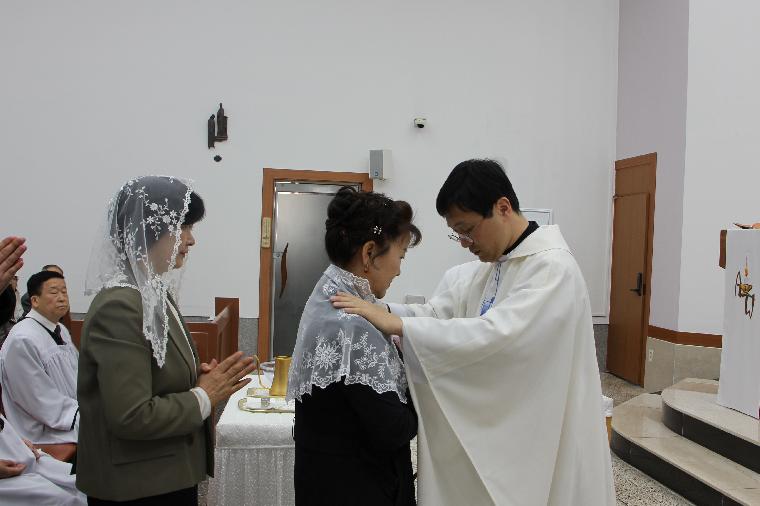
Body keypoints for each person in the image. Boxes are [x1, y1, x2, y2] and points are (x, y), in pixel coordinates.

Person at [332, 159, 616, 505]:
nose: (465, 243)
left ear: (503, 208)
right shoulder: (490, 268)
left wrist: (402, 325)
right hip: (507, 432)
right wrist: (384, 312)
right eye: (457, 233)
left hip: (542, 434)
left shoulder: (553, 270)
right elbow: (438, 314)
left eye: (467, 229)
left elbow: (497, 338)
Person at [76, 176, 256, 504]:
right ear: (151, 230)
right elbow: (131, 415)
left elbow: (155, 375)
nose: (191, 240)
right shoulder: (120, 306)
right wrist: (204, 395)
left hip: (164, 476)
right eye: (183, 227)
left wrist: (197, 377)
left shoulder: (154, 291)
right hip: (137, 486)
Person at [287, 187, 420, 506]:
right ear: (369, 253)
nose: (399, 269)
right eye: (400, 256)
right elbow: (394, 429)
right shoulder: (352, 325)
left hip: (326, 482)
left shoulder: (326, 296)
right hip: (357, 487)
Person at [0, 270, 79, 445]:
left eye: (64, 292)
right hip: (44, 429)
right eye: (54, 292)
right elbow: (40, 400)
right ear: (35, 301)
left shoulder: (60, 329)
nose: (62, 298)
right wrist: (83, 414)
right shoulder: (23, 339)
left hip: (72, 411)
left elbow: (77, 375)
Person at [0, 414, 86, 505]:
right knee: (63, 500)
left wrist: (14, 437)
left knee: (83, 482)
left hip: (23, 455)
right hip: (7, 474)